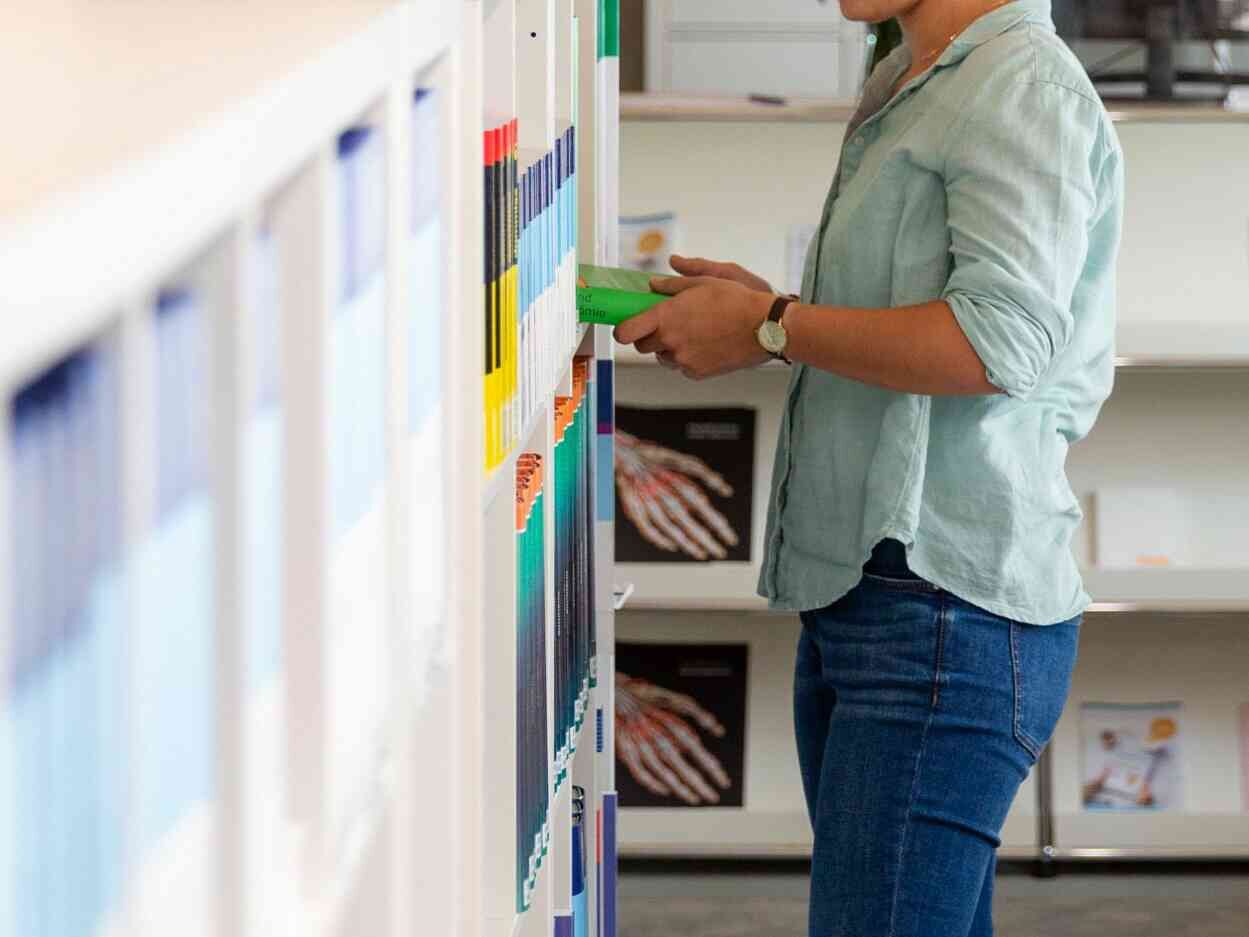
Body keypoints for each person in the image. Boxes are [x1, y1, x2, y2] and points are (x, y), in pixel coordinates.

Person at [612, 1, 1124, 934]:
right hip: (875, 596)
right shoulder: (914, 72)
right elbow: (916, 311)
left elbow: (995, 343)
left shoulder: (1020, 85)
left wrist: (775, 325)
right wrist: (768, 315)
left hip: (944, 609)